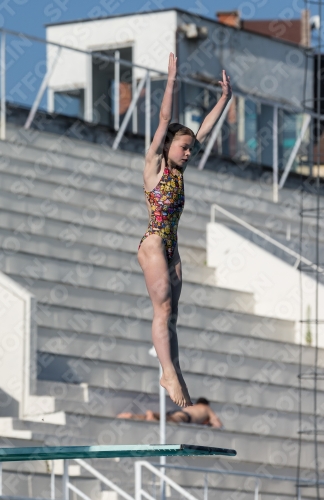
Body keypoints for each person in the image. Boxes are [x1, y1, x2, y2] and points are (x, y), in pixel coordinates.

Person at [137, 53, 232, 408]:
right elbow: (164, 119)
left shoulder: (178, 172)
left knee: (171, 316)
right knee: (161, 310)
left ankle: (173, 369)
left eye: (191, 149)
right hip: (154, 242)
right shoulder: (155, 166)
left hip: (172, 247)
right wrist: (172, 79)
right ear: (168, 147)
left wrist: (224, 98)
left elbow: (202, 130)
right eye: (184, 147)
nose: (189, 153)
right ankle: (167, 372)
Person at [117, 397, 223, 428]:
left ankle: (132, 416)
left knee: (164, 417)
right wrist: (210, 424)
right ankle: (153, 414)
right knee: (171, 419)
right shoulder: (207, 408)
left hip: (179, 411)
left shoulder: (194, 406)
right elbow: (217, 424)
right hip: (185, 417)